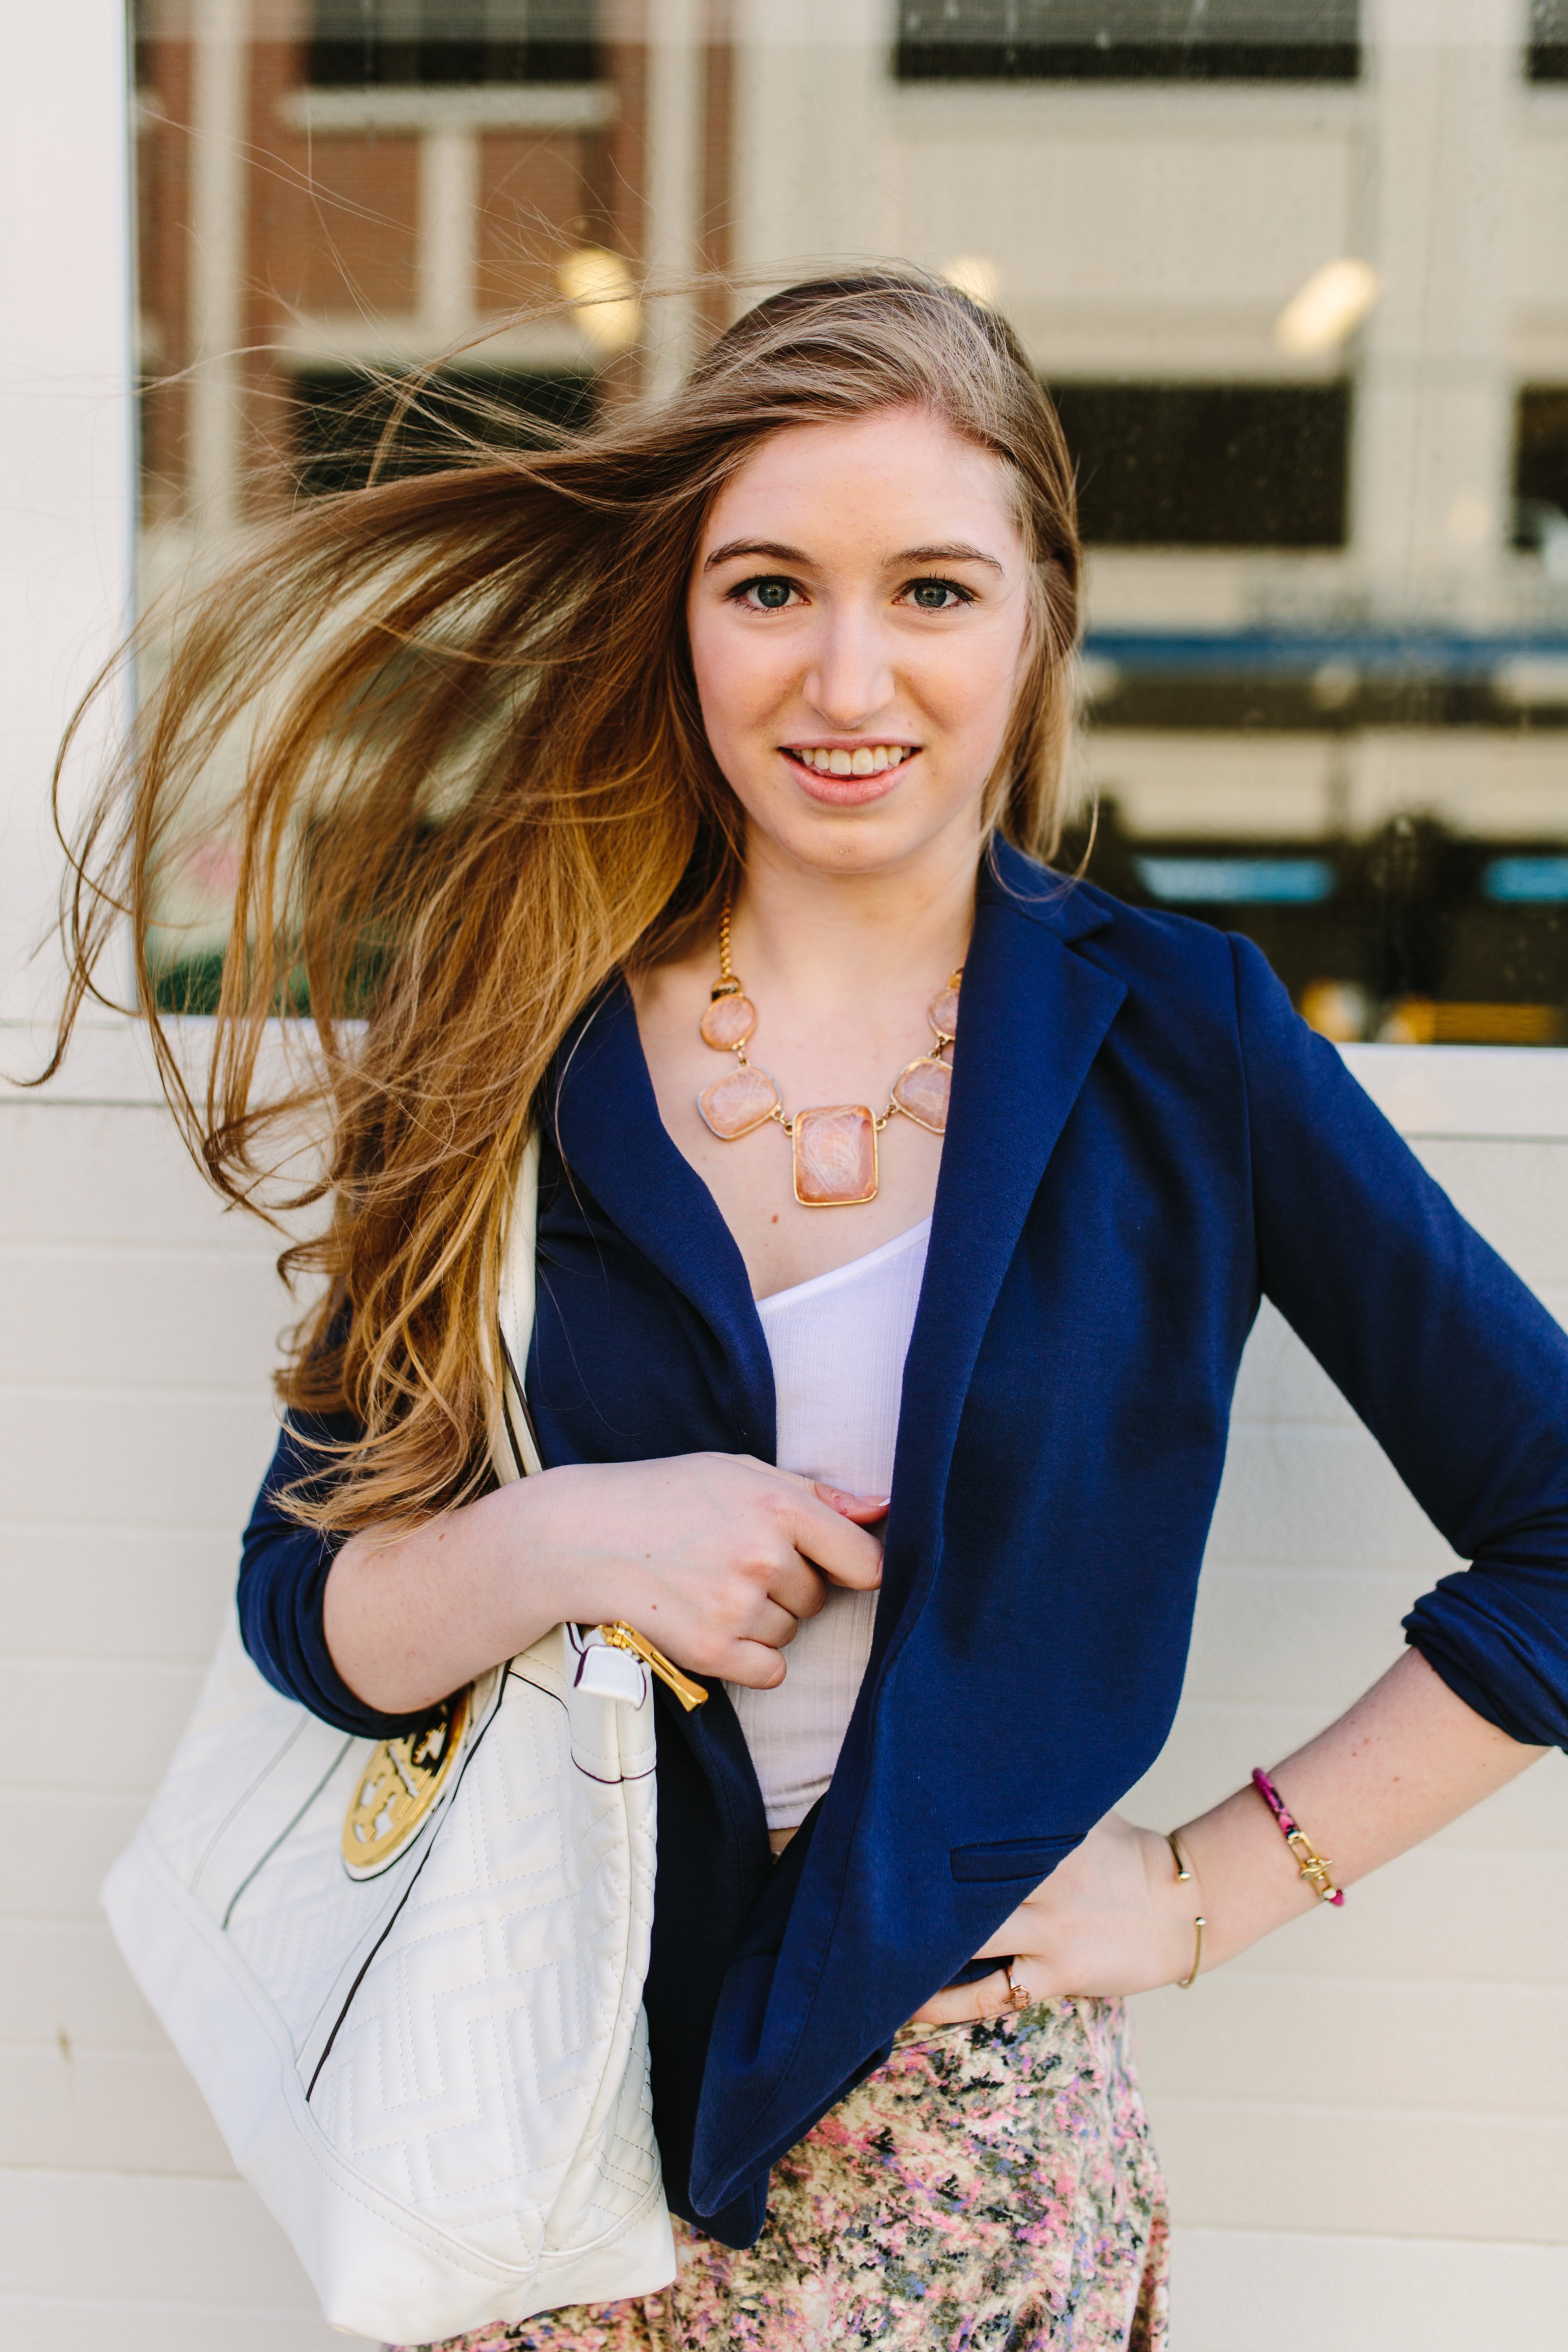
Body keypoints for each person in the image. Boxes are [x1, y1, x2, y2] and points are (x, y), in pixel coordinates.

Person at [53, 275, 1568, 2352]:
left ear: (1035, 613)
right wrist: (569, 1538)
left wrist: (1211, 1888)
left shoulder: (1179, 1040)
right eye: (770, 586)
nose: (846, 675)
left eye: (930, 590)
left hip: (952, 2182)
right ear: (681, 614)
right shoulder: (513, 1023)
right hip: (536, 2140)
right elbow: (304, 1607)